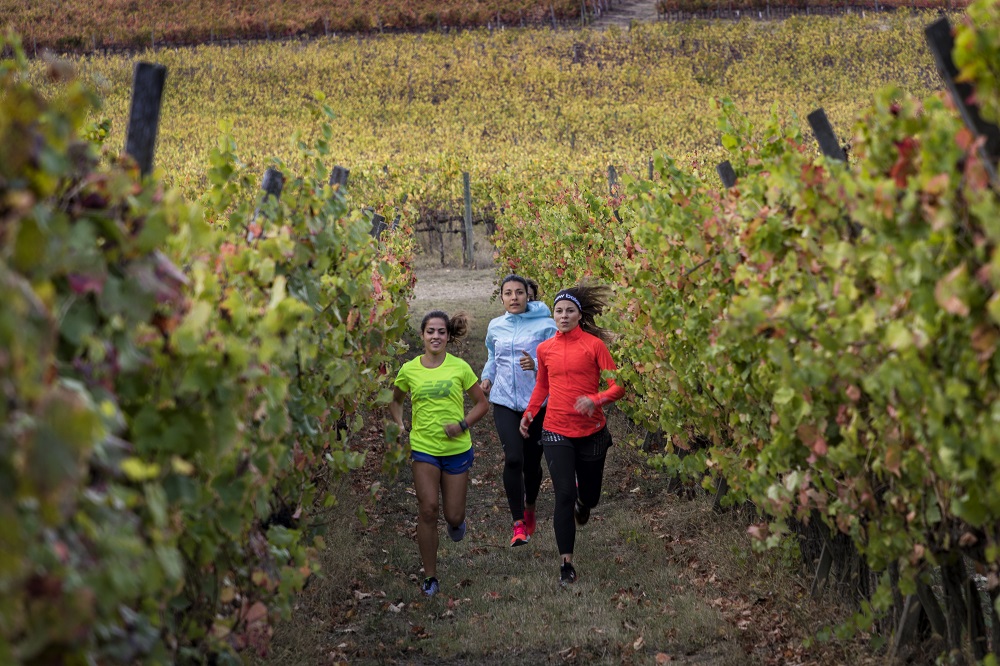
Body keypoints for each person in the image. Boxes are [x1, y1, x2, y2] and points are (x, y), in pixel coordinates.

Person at [519, 285, 624, 585]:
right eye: (559, 311)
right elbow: (542, 386)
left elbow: (618, 386)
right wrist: (530, 413)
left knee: (588, 496)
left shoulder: (594, 346)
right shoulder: (545, 349)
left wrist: (596, 399)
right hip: (555, 429)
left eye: (569, 311)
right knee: (564, 494)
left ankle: (584, 504)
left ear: (580, 315)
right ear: (553, 315)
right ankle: (566, 563)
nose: (564, 316)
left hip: (591, 430)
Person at [390, 310, 489, 597]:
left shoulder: (459, 367)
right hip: (423, 447)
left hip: (457, 449)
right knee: (428, 509)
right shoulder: (409, 369)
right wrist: (399, 425)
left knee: (452, 515)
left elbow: (481, 404)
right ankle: (430, 577)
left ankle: (457, 524)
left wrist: (462, 424)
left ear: (448, 336)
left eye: (441, 332)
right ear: (422, 335)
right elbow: (395, 402)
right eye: (430, 331)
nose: (436, 336)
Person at [480, 275, 557, 547]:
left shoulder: (547, 325)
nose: (514, 298)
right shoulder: (495, 326)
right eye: (508, 293)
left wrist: (535, 363)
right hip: (504, 401)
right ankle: (518, 524)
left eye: (519, 293)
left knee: (532, 463)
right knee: (513, 458)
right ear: (501, 298)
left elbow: (556, 357)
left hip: (537, 403)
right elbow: (492, 354)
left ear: (528, 296)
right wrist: (487, 377)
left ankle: (531, 505)